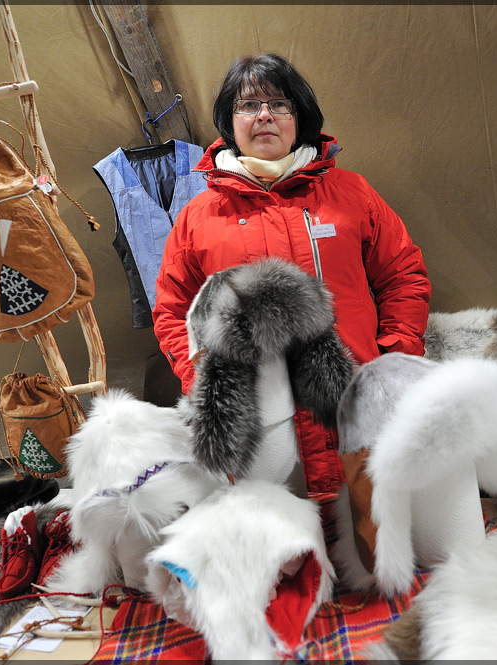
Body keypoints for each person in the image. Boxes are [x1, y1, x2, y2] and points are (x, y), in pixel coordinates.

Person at [153, 53, 431, 494]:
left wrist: (391, 358)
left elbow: (404, 276)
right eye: (247, 105)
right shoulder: (198, 217)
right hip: (261, 421)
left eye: (279, 103)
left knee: (368, 539)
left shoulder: (351, 194)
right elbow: (172, 311)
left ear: (299, 117)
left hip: (353, 404)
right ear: (230, 121)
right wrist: (203, 381)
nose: (264, 115)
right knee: (284, 543)